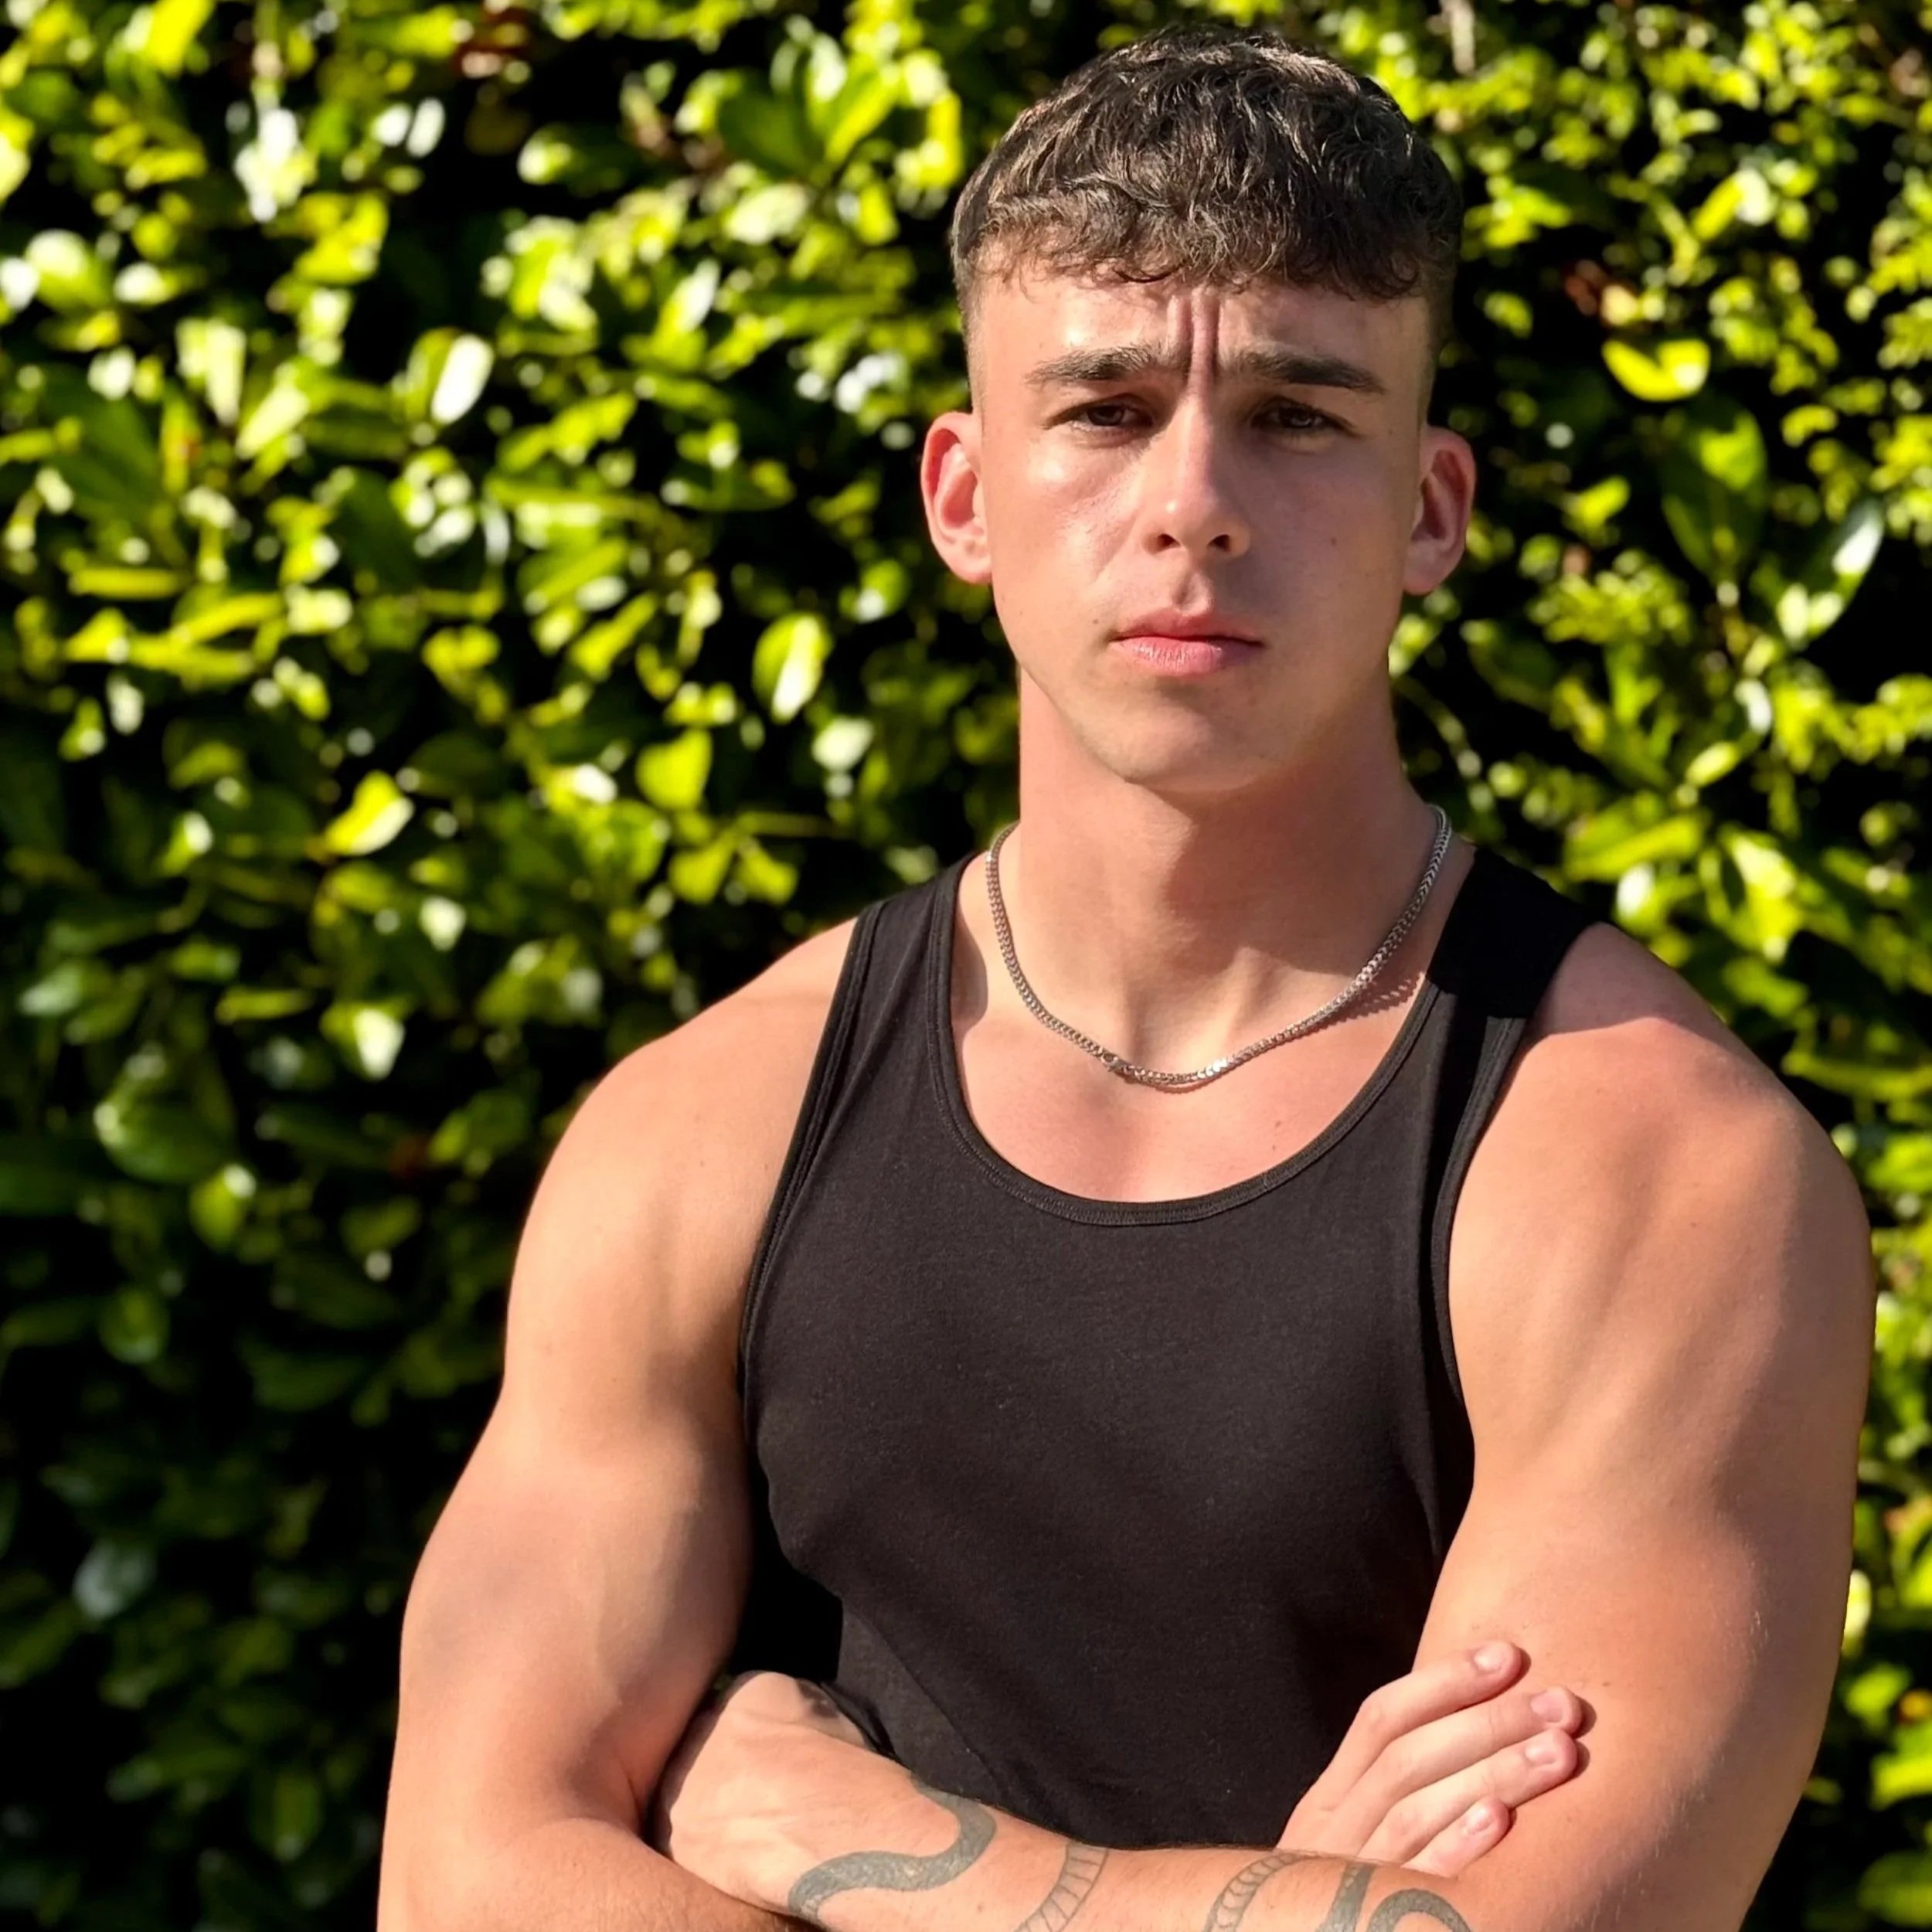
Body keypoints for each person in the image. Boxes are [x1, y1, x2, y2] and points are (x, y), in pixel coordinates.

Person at [376, 26, 1874, 1932]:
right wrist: (1267, 1899)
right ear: (962, 493)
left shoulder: (1656, 1170)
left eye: (1297, 415)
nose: (1192, 505)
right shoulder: (702, 1129)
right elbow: (455, 1889)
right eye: (1095, 410)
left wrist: (846, 1849)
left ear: (1430, 508)